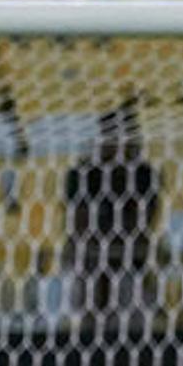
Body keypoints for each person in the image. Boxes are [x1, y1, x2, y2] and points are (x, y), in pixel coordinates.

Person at [64, 102, 159, 334]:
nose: (116, 141)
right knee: (87, 326)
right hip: (88, 264)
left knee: (131, 329)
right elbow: (79, 222)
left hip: (131, 264)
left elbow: (141, 222)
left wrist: (106, 229)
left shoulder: (143, 173)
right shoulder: (83, 172)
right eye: (111, 133)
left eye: (123, 134)